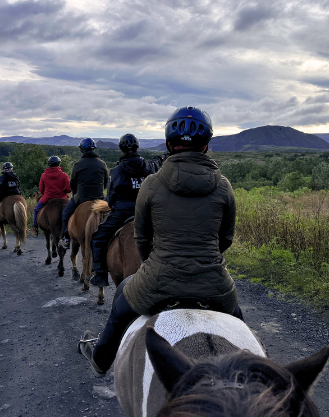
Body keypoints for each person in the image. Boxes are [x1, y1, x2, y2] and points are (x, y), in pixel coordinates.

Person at [77, 106, 239, 377]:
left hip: (158, 281)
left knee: (121, 302)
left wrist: (153, 260)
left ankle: (100, 360)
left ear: (167, 144)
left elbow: (142, 238)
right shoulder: (224, 186)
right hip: (213, 282)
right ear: (207, 146)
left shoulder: (152, 184)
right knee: (239, 322)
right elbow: (226, 238)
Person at [88, 134, 164, 287]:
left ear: (121, 149)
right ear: (137, 147)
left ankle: (100, 274)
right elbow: (157, 163)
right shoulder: (149, 167)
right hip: (147, 213)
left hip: (122, 213)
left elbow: (110, 200)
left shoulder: (116, 172)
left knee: (98, 237)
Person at [58, 138, 109, 249]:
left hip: (81, 197)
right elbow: (106, 183)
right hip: (99, 198)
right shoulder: (102, 164)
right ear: (94, 149)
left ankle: (66, 239)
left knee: (65, 214)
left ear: (82, 150)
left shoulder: (78, 164)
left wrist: (76, 194)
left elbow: (72, 184)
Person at [29, 156, 71, 237]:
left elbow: (41, 190)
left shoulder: (44, 175)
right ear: (59, 164)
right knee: (73, 209)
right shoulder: (64, 175)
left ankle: (35, 229)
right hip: (62, 197)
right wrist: (63, 191)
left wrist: (47, 193)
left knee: (36, 209)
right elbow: (69, 189)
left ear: (49, 164)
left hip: (47, 197)